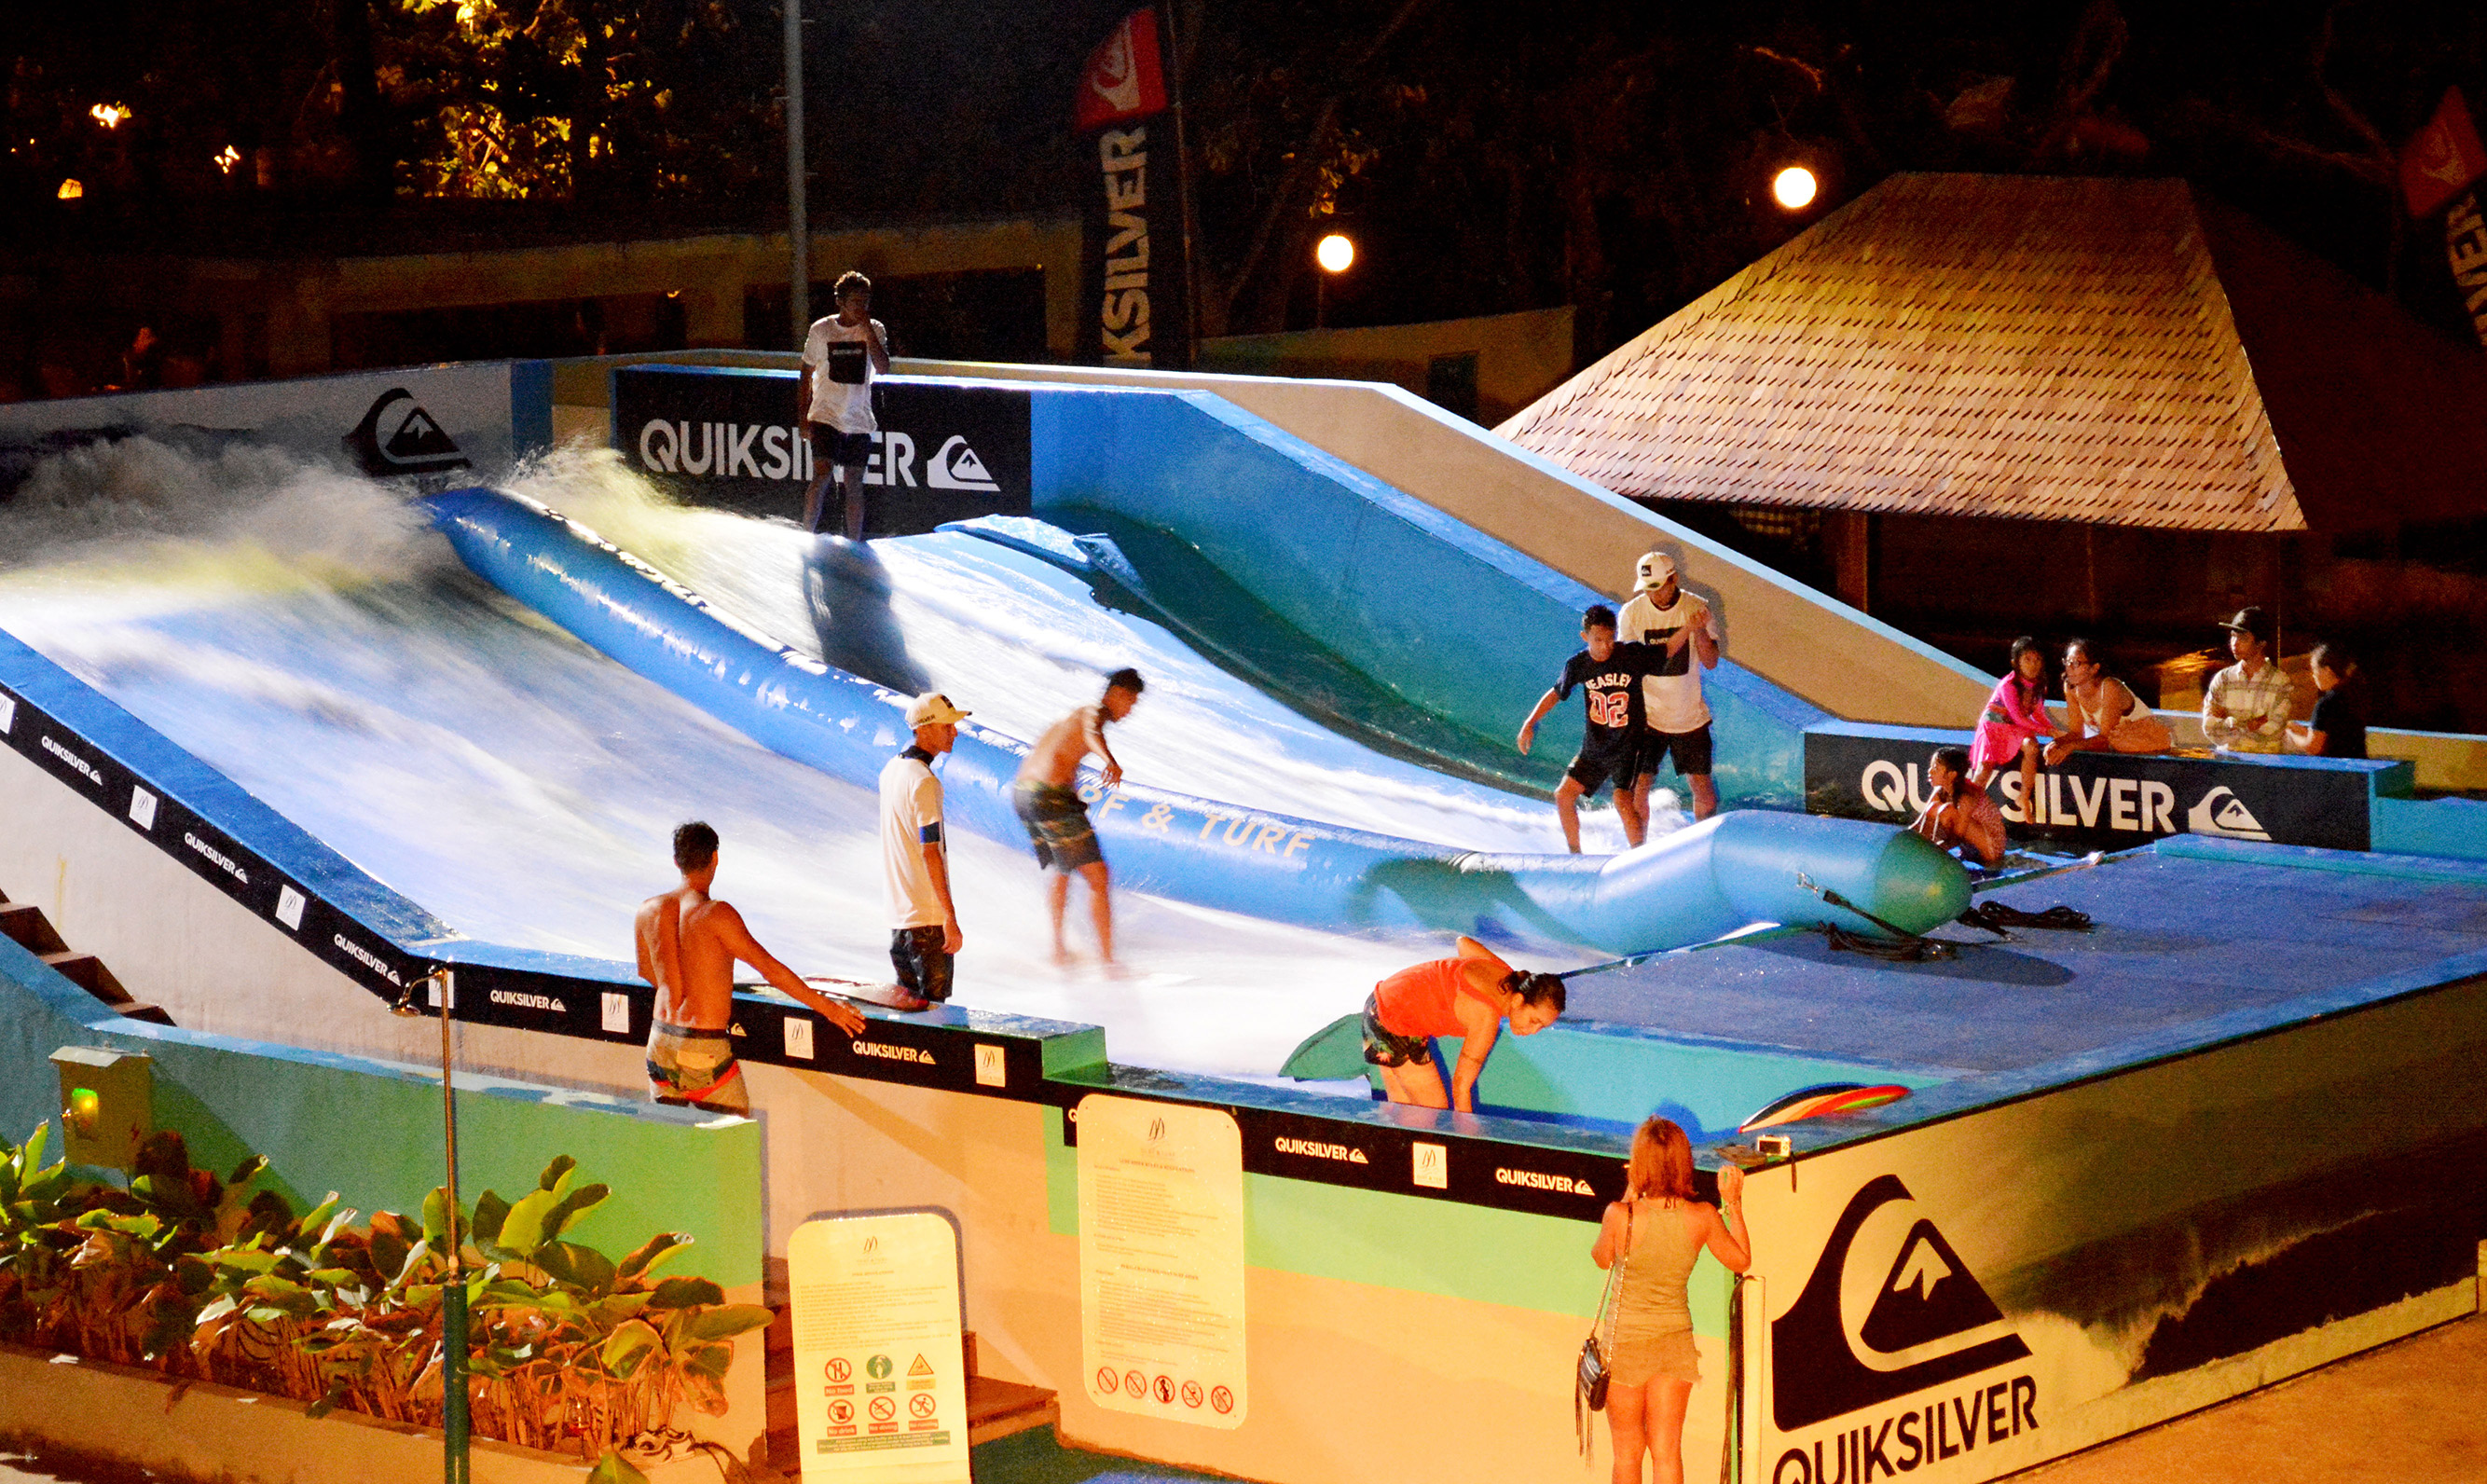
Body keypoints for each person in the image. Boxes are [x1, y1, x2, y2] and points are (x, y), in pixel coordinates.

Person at [636, 821, 868, 1112]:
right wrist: (830, 1009)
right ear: (715, 858)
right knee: (734, 1137)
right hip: (703, 1049)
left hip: (660, 1044)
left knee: (670, 1135)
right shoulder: (717, 914)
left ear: (676, 861)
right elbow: (769, 968)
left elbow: (645, 971)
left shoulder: (648, 911)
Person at [1591, 1119, 1750, 1484]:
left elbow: (1602, 1259)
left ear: (1639, 1163)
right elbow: (1741, 1260)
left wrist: (1630, 1195)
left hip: (1624, 1345)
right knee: (1667, 1453)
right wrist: (1734, 1203)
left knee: (1627, 1454)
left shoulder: (1620, 1215)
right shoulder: (1703, 1216)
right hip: (1674, 1343)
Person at [1014, 668, 1145, 967]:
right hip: (1048, 797)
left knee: (1065, 868)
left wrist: (1071, 796)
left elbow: (1057, 756)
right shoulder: (1092, 713)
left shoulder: (1069, 718)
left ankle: (1058, 951)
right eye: (1130, 702)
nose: (1130, 711)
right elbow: (1091, 733)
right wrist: (1110, 760)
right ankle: (1108, 964)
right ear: (1116, 694)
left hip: (1025, 793)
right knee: (1099, 876)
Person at [1362, 936, 1566, 1111]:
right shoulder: (1486, 1017)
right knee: (1434, 1113)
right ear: (1518, 1000)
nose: (1534, 1030)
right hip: (1393, 1022)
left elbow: (1463, 942)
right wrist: (1466, 1133)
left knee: (1402, 1110)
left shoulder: (1502, 972)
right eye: (1534, 1021)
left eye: (1541, 1026)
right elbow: (1461, 1087)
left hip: (1380, 1002)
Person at [1517, 604, 1652, 852]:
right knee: (1563, 796)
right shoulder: (1578, 665)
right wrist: (1530, 722)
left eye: (1610, 639)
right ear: (1585, 637)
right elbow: (1556, 693)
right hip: (1596, 747)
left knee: (1622, 800)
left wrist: (1687, 629)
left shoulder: (1629, 655)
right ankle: (1575, 857)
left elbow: (1665, 655)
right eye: (1598, 640)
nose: (1605, 646)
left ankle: (1640, 856)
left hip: (1629, 746)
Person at [1617, 551, 1722, 822]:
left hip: (1689, 718)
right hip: (1648, 718)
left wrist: (1699, 630)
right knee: (1637, 789)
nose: (1654, 595)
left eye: (1659, 587)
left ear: (1673, 579)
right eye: (1648, 588)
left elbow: (1711, 662)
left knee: (1705, 793)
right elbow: (1628, 666)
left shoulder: (1697, 607)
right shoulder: (1631, 613)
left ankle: (1702, 841)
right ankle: (1639, 844)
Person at [882, 692, 970, 1003]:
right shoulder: (924, 781)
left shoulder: (891, 770)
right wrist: (949, 916)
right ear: (925, 728)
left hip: (899, 917)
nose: (954, 732)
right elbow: (930, 851)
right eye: (947, 726)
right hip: (927, 921)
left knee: (909, 1013)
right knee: (934, 1013)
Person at [798, 270, 892, 541]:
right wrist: (803, 418)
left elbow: (883, 368)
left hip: (858, 418)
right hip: (825, 415)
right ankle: (805, 535)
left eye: (865, 301)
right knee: (822, 475)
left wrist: (867, 330)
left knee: (853, 482)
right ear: (841, 301)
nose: (861, 307)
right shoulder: (821, 330)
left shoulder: (875, 328)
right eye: (855, 302)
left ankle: (854, 542)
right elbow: (806, 373)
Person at [2045, 638, 2174, 763]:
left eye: (2076, 663)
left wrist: (2070, 747)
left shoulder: (2110, 687)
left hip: (2151, 746)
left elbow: (2105, 739)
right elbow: (2077, 733)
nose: (2069, 668)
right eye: (2067, 662)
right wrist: (2056, 743)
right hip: (2122, 751)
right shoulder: (2070, 687)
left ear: (2094, 668)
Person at [1970, 636, 2058, 817]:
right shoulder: (2008, 685)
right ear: (2016, 663)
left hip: (2014, 728)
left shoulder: (2040, 685)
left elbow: (2038, 714)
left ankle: (2023, 797)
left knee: (2032, 747)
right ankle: (1967, 806)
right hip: (1994, 726)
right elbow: (2018, 717)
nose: (2033, 665)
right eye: (2027, 659)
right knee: (1985, 768)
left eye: (2037, 660)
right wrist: (2048, 731)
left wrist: (2056, 733)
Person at [2203, 607, 2293, 754]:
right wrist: (2251, 724)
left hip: (2266, 762)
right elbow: (2210, 728)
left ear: (2261, 643)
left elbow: (2274, 731)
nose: (2234, 643)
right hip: (2228, 761)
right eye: (2233, 636)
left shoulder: (2280, 682)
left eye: (2243, 638)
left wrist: (2229, 721)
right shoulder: (2223, 679)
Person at [1910, 744, 2007, 868]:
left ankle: (1934, 853)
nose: (1929, 771)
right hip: (1969, 845)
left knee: (1946, 811)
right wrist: (1905, 839)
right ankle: (1929, 850)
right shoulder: (1940, 790)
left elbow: (1957, 837)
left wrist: (1933, 852)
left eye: (1936, 768)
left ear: (1952, 775)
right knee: (1933, 808)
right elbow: (1919, 824)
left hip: (1990, 851)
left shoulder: (1967, 797)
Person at [2289, 642, 2368, 759]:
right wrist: (2303, 732)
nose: (2313, 675)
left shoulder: (2325, 704)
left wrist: (2291, 736)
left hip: (2335, 766)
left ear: (2327, 670)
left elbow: (2313, 747)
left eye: (2314, 669)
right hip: (2358, 764)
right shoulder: (2354, 697)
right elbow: (2335, 736)